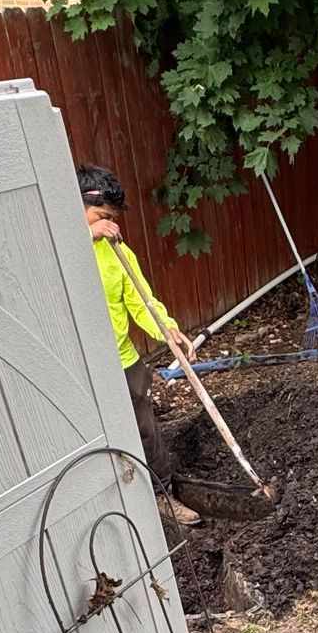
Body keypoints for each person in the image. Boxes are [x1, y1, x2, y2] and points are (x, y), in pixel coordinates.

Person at [78, 163, 200, 527]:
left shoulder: (117, 253)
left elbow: (142, 301)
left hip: (124, 362)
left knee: (144, 430)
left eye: (112, 218)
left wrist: (169, 331)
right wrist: (85, 233)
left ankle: (163, 496)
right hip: (83, 367)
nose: (110, 225)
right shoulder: (61, 252)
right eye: (102, 216)